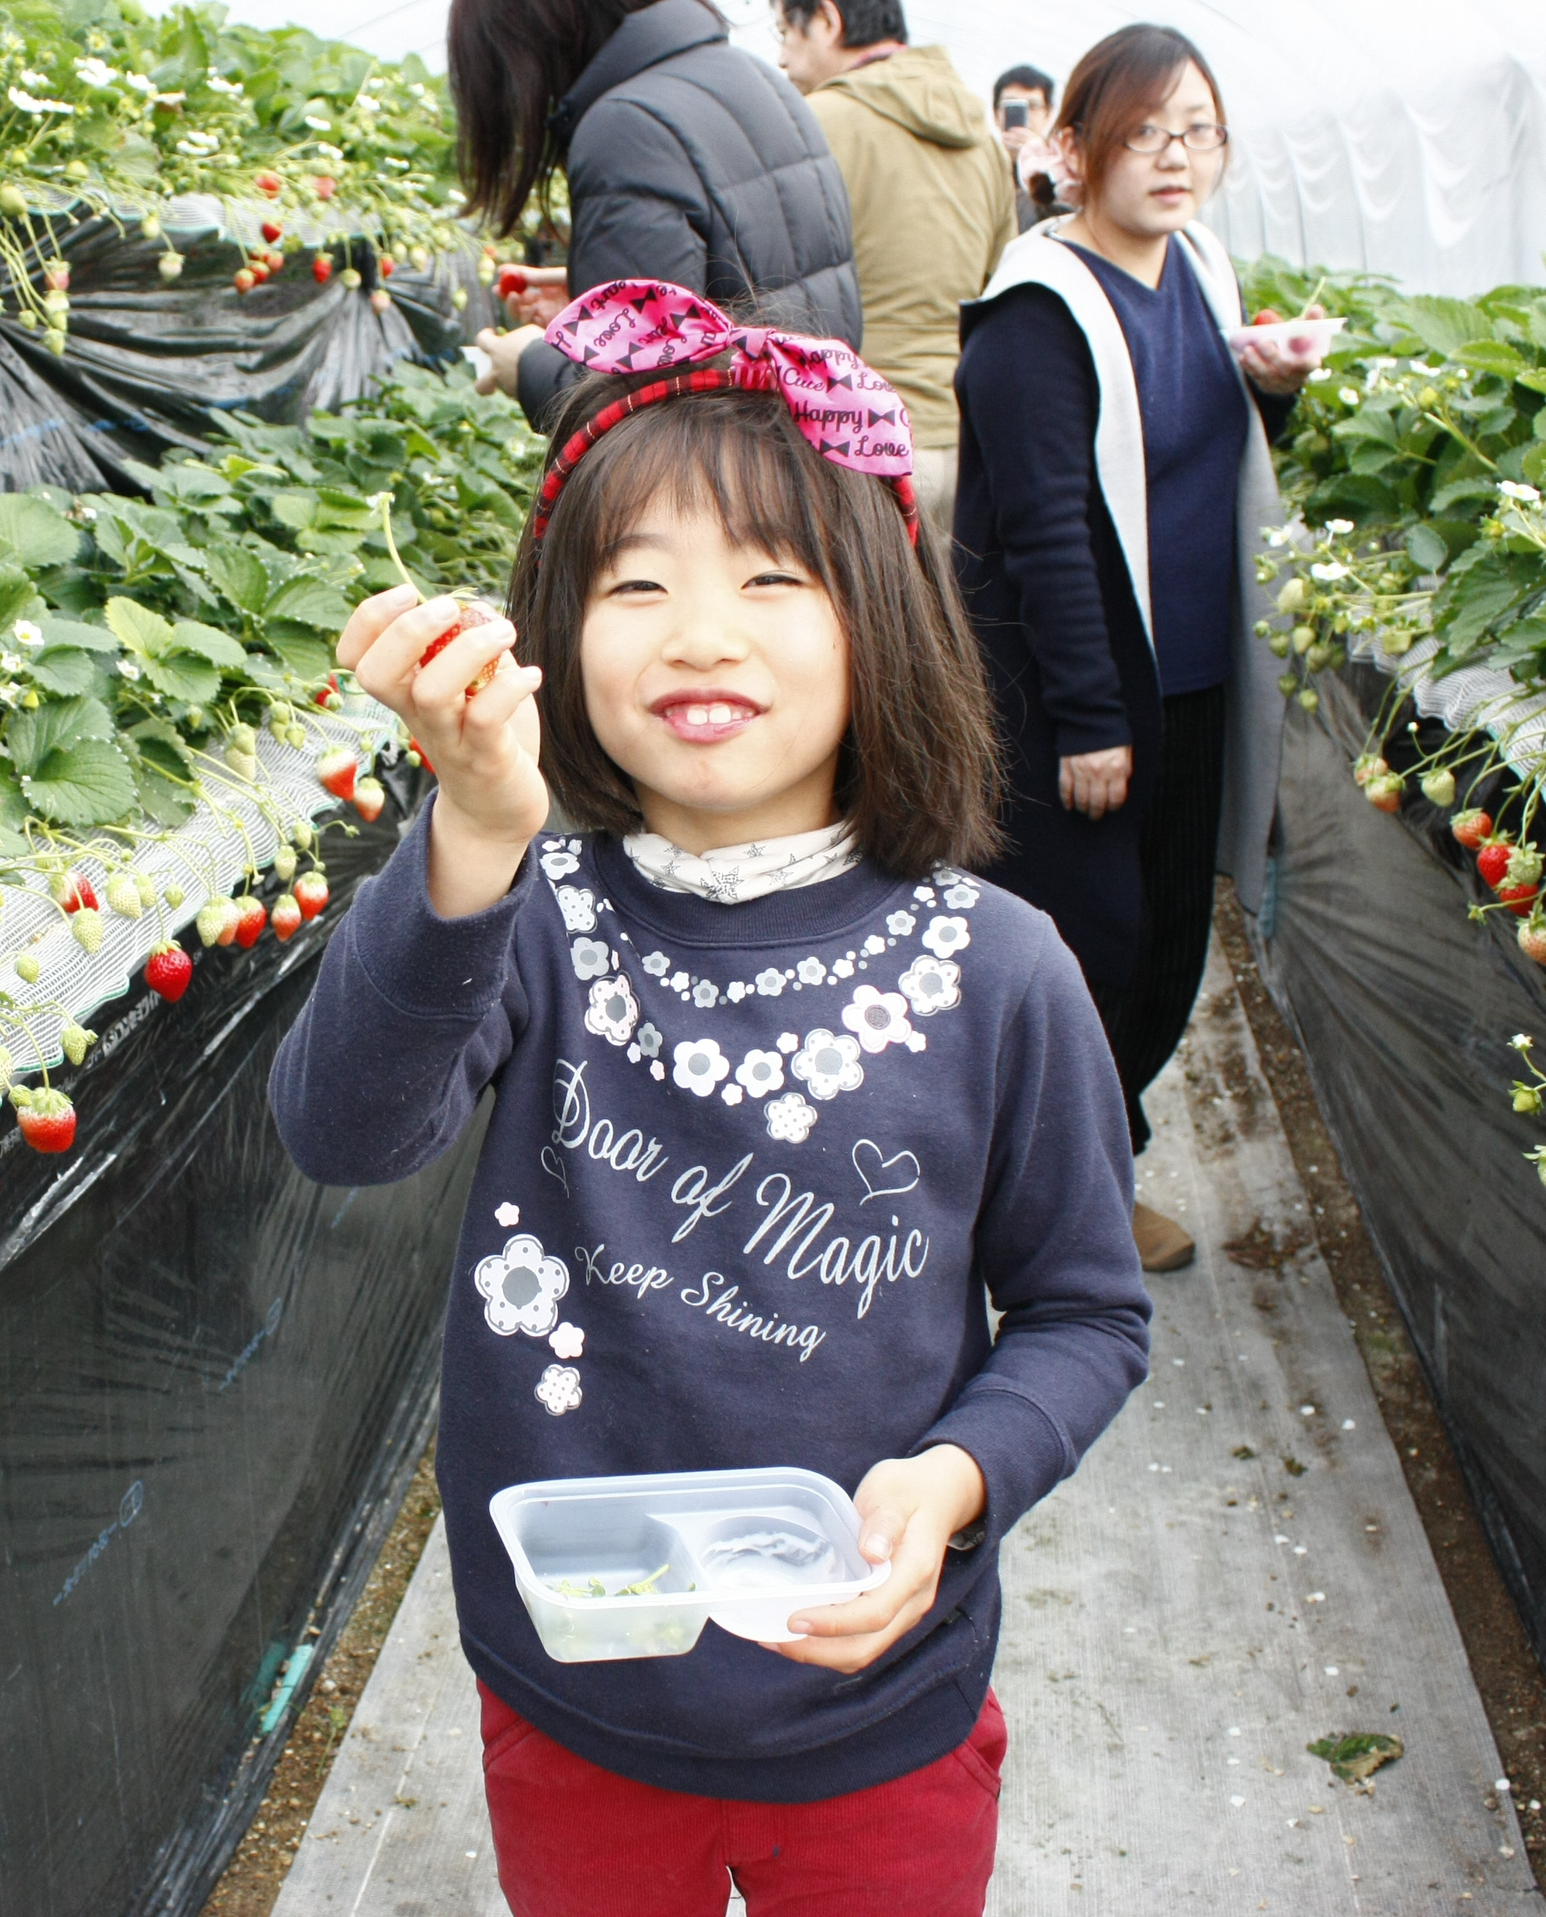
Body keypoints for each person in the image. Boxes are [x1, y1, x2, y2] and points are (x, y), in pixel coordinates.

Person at [271, 277, 1151, 1917]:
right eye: (636, 582)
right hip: (577, 1687)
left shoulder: (997, 972)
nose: (699, 632)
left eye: (770, 577)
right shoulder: (529, 914)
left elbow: (1086, 1313)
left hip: (873, 1707)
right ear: (554, 635)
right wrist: (473, 831)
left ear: (880, 618)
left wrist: (956, 1481)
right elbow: (343, 1130)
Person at [950, 25, 1323, 1272]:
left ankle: (1089, 1172)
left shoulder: (1200, 269)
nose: (1176, 157)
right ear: (1074, 148)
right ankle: (1046, 1212)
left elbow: (1199, 454)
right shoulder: (1037, 313)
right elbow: (1048, 528)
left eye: (1198, 132)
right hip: (1086, 697)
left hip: (1192, 676)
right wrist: (1091, 716)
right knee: (1086, 949)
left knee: (1169, 943)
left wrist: (1271, 389)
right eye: (1144, 132)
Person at [449, 0, 863, 432]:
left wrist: (529, 362)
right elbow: (752, 290)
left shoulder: (626, 126)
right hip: (803, 459)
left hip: (722, 477)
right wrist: (591, 292)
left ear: (531, 20)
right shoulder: (757, 78)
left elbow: (635, 413)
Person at [765, 0, 1014, 546]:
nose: (782, 59)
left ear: (827, 20)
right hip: (967, 441)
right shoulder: (983, 142)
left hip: (858, 440)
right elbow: (1001, 287)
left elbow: (769, 286)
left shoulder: (816, 123)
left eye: (785, 33)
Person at [989, 64, 1068, 227]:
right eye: (1012, 106)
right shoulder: (981, 163)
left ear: (1048, 114)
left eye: (1033, 106)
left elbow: (1065, 221)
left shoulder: (1063, 169)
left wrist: (1036, 161)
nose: (1024, 115)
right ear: (996, 114)